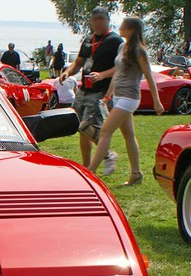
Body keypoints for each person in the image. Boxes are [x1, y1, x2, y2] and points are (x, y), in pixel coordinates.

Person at [87, 17, 162, 187]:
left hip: (130, 97)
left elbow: (149, 77)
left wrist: (157, 101)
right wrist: (108, 96)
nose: (119, 28)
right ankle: (136, 174)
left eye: (123, 26)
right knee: (129, 135)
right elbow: (117, 73)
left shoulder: (139, 51)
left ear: (131, 30)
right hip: (119, 96)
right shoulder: (122, 47)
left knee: (105, 131)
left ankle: (91, 172)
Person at [59, 6, 122, 173]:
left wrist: (102, 75)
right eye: (95, 20)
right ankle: (86, 167)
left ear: (108, 20)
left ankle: (108, 154)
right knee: (79, 128)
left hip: (100, 92)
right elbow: (79, 62)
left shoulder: (115, 41)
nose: (98, 23)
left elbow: (121, 67)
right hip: (84, 90)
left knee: (87, 126)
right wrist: (68, 72)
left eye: (101, 19)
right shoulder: (88, 40)